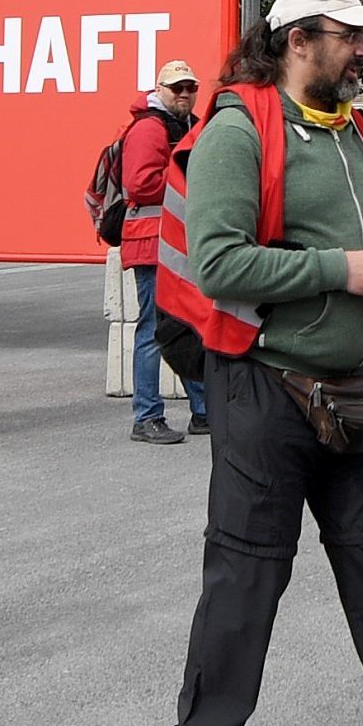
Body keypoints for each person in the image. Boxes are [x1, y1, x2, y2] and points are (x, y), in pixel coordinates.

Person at [160, 0, 363, 726]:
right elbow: (217, 263)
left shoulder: (350, 127)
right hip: (266, 392)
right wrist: (338, 273)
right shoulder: (238, 130)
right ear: (297, 39)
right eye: (348, 35)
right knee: (246, 575)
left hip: (358, 395)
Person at [118, 62, 204, 445]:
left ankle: (203, 411)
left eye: (190, 87)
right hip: (152, 242)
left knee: (185, 323)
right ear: (160, 90)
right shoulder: (149, 128)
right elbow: (139, 184)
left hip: (174, 241)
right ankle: (147, 416)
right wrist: (193, 174)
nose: (184, 93)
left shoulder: (186, 124)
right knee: (156, 328)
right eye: (176, 88)